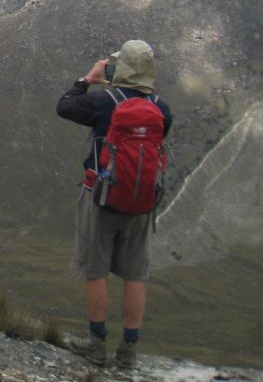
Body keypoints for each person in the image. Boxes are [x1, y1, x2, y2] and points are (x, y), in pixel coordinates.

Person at [56, 40, 172, 369]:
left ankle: (96, 345)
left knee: (96, 271)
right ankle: (129, 352)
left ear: (121, 69)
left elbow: (65, 106)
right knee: (135, 275)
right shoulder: (161, 109)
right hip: (142, 204)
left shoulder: (104, 103)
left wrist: (87, 79)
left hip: (101, 198)